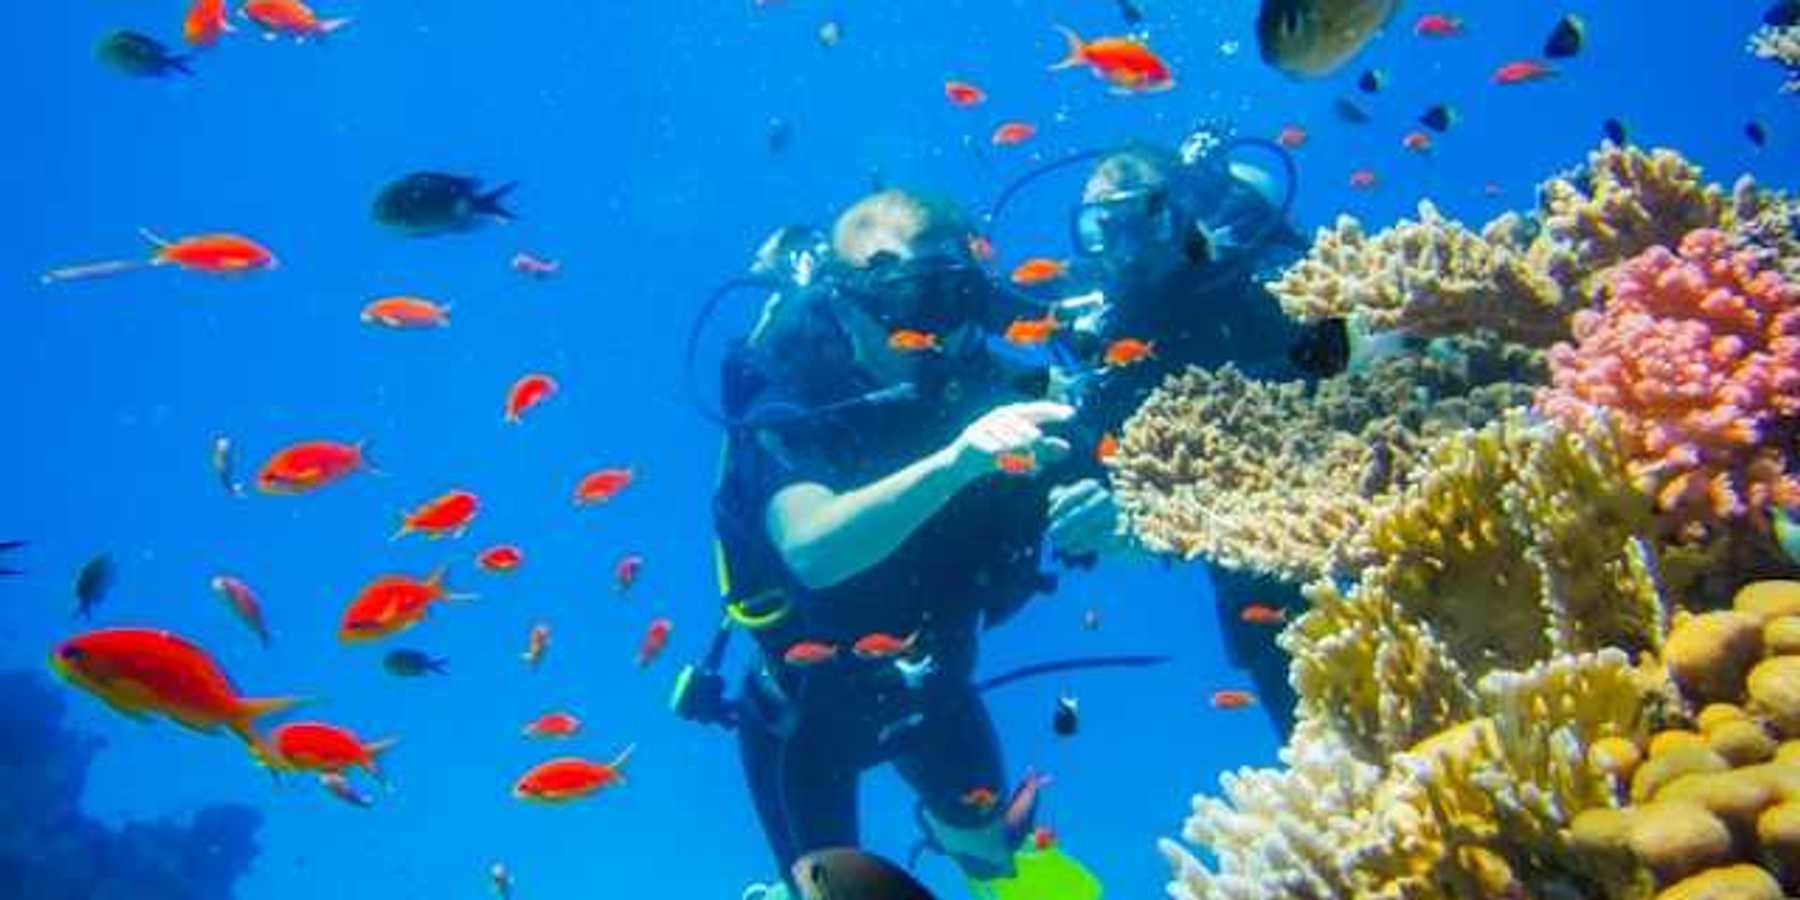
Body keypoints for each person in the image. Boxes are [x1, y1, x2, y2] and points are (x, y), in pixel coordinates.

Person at [713, 190, 1109, 900]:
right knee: (828, 891)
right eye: (912, 302)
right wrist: (957, 462)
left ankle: (978, 856)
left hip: (940, 685)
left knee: (998, 859)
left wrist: (1115, 522)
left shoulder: (990, 382)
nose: (941, 333)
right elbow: (813, 548)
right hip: (806, 716)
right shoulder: (785, 380)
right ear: (847, 301)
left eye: (956, 297)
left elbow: (1135, 516)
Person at [1042, 137, 1310, 739]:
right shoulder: (1100, 326)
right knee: (1284, 670)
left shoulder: (1247, 282)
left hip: (1329, 491)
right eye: (1102, 228)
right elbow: (1092, 463)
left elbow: (1330, 374)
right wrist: (1100, 513)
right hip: (1245, 560)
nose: (1123, 247)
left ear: (1182, 212)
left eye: (1145, 220)